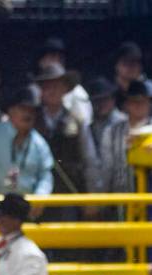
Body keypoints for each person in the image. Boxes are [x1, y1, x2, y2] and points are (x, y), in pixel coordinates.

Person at [0, 87, 54, 196]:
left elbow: (45, 175)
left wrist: (40, 198)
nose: (28, 114)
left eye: (32, 110)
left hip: (27, 207)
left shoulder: (39, 143)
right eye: (23, 108)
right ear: (10, 110)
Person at [99, 80, 152, 193]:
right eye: (134, 102)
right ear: (126, 104)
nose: (138, 105)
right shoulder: (111, 131)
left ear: (149, 103)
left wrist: (140, 133)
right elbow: (107, 169)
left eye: (143, 101)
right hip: (122, 194)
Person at [33, 63, 97, 196]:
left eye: (56, 86)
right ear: (41, 91)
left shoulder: (77, 120)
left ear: (65, 89)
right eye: (47, 87)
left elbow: (89, 159)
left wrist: (92, 195)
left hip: (69, 190)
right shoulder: (31, 120)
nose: (52, 91)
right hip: (36, 190)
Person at [34, 37, 92, 127]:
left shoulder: (77, 92)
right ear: (41, 62)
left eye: (60, 58)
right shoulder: (33, 90)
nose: (56, 61)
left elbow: (84, 124)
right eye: (52, 57)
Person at [112, 41, 152, 124]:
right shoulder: (110, 92)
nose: (131, 67)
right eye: (126, 63)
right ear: (117, 65)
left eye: (135, 63)